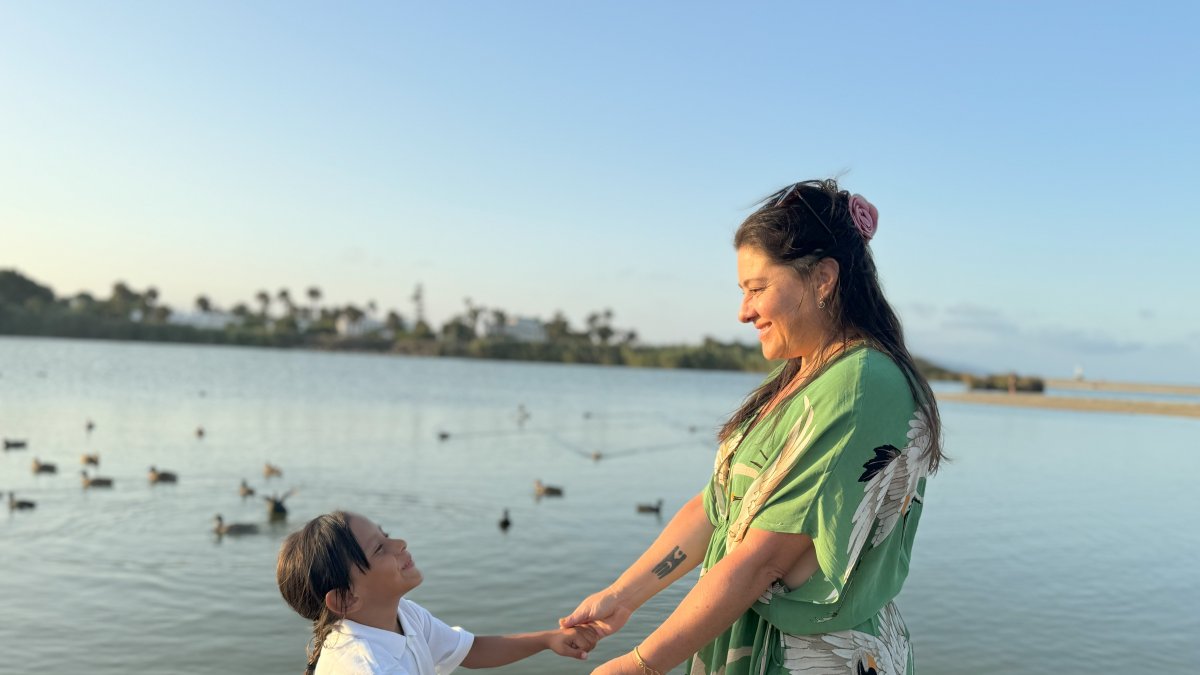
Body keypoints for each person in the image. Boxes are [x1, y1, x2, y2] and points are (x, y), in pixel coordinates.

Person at [561, 179, 946, 675]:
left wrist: (642, 664)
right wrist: (622, 596)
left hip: (814, 657)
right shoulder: (805, 377)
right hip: (752, 639)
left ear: (823, 279)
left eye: (757, 289)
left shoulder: (860, 384)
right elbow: (715, 509)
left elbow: (764, 558)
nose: (744, 312)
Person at [277, 510, 601, 674]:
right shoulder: (367, 667)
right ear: (346, 599)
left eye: (386, 534)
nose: (399, 543)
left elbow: (470, 650)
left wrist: (547, 640)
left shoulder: (404, 615)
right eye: (379, 548)